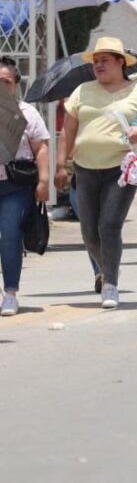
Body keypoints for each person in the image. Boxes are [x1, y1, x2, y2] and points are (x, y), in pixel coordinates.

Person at [58, 37, 137, 309]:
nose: (98, 66)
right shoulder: (82, 91)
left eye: (105, 61)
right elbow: (68, 130)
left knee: (109, 225)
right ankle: (108, 266)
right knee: (89, 231)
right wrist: (59, 165)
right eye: (96, 62)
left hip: (121, 169)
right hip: (85, 169)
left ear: (120, 62)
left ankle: (110, 283)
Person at [0, 57, 50, 317]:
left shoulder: (28, 112)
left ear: (16, 85)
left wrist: (43, 181)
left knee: (9, 235)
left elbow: (41, 148)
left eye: (5, 82)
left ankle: (10, 293)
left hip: (16, 186)